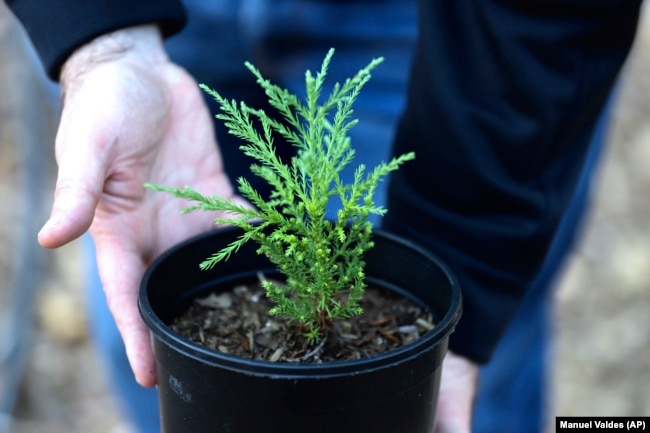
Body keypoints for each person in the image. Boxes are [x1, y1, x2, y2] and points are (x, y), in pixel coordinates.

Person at [4, 1, 643, 432]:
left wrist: (465, 239)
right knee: (150, 342)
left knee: (469, 366)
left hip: (451, 30)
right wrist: (100, 34)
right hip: (164, 16)